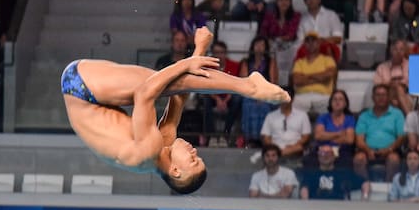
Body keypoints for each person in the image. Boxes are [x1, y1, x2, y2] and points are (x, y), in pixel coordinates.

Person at [62, 28, 288, 193]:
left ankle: (247, 87)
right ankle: (247, 86)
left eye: (193, 160)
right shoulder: (161, 149)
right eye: (197, 156)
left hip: (80, 86)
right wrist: (199, 49)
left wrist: (187, 63)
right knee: (170, 86)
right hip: (90, 95)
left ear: (176, 171)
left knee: (162, 84)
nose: (194, 152)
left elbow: (144, 93)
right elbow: (179, 99)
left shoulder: (148, 151)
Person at [354, 84, 405, 181]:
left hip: (391, 150)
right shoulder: (364, 115)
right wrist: (368, 150)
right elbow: (359, 140)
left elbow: (401, 137)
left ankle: (388, 189)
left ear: (389, 97)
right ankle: (365, 185)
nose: (381, 98)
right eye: (378, 95)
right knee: (358, 159)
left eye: (384, 95)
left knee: (393, 160)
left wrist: (389, 149)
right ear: (373, 98)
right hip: (367, 150)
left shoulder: (397, 114)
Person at [200, 40, 241, 147]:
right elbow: (205, 85)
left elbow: (237, 85)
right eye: (216, 52)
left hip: (229, 95)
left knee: (237, 100)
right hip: (213, 96)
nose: (219, 55)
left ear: (225, 53)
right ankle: (212, 135)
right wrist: (217, 99)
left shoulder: (235, 65)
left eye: (221, 52)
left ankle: (225, 135)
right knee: (205, 101)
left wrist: (226, 99)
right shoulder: (208, 66)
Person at [239, 36, 279, 147]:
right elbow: (243, 83)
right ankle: (250, 139)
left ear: (266, 47)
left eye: (262, 45)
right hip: (250, 94)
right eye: (257, 44)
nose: (259, 48)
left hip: (267, 94)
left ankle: (264, 138)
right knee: (248, 104)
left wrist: (263, 95)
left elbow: (273, 83)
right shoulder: (246, 62)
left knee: (265, 106)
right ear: (252, 46)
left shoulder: (271, 62)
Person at [259, 0, 300, 86]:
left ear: (290, 2)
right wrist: (269, 41)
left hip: (290, 47)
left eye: (286, 0)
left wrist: (279, 39)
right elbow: (263, 32)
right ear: (277, 2)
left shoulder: (296, 16)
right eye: (281, 0)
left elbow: (292, 34)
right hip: (273, 46)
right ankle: (273, 82)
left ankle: (289, 85)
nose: (284, 2)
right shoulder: (269, 16)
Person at [300, 144, 369, 199]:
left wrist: (364, 198)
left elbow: (365, 183)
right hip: (316, 208)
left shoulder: (344, 173)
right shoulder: (311, 174)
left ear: (334, 157)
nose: (325, 156)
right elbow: (304, 188)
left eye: (328, 153)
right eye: (322, 153)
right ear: (318, 157)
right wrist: (306, 204)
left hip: (338, 209)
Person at [291, 31, 337, 116]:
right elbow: (297, 81)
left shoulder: (327, 60)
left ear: (319, 43)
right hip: (302, 96)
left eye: (313, 41)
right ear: (304, 44)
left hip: (323, 96)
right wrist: (319, 78)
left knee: (331, 110)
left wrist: (306, 76)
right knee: (293, 113)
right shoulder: (299, 62)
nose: (311, 43)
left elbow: (327, 77)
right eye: (308, 41)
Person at [261, 89, 312, 159]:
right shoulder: (270, 116)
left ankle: (279, 154)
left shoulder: (302, 115)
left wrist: (293, 146)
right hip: (275, 148)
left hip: (295, 148)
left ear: (292, 99)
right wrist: (274, 148)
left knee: (299, 148)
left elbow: (306, 136)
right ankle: (278, 154)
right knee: (270, 152)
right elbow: (266, 136)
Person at [313, 89, 356, 165]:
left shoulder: (350, 119)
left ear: (345, 103)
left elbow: (349, 139)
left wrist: (327, 135)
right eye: (334, 99)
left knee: (346, 160)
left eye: (340, 99)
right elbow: (318, 136)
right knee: (309, 160)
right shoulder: (323, 117)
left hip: (342, 150)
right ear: (330, 102)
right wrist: (339, 134)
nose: (337, 102)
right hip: (323, 149)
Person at [373, 39, 412, 114]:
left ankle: (409, 116)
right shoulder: (382, 67)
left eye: (401, 49)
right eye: (396, 49)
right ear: (391, 50)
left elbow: (414, 84)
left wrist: (398, 85)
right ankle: (410, 117)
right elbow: (377, 86)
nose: (398, 52)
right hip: (387, 96)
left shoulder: (411, 65)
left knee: (399, 89)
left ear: (405, 51)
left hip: (407, 95)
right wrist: (391, 85)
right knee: (389, 92)